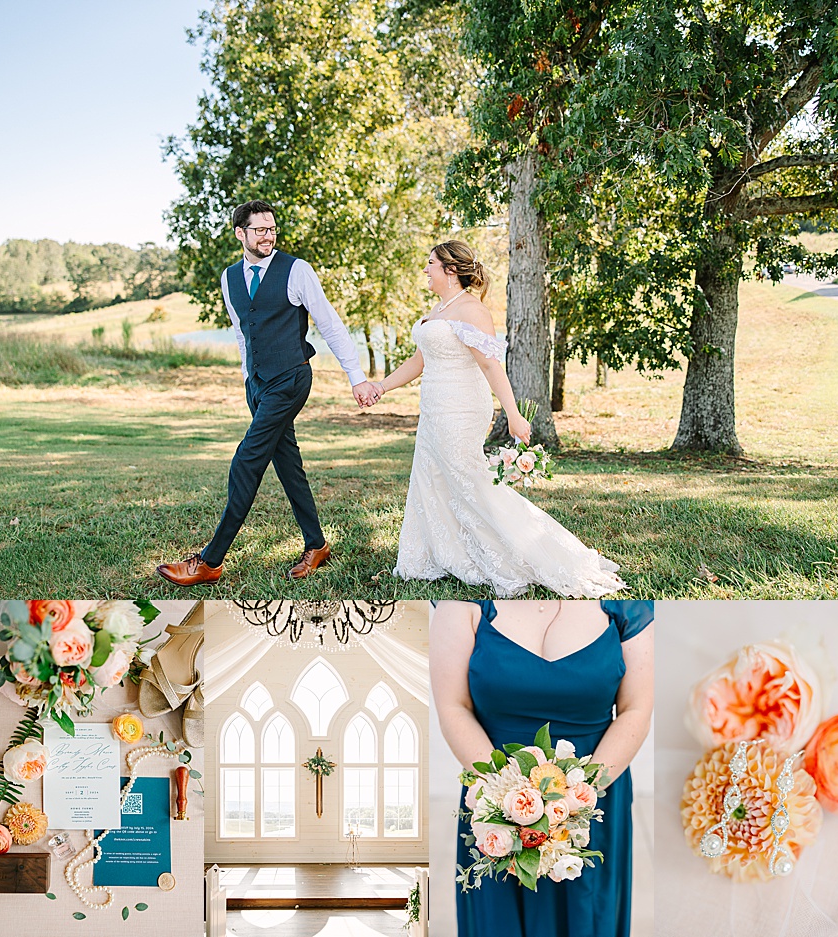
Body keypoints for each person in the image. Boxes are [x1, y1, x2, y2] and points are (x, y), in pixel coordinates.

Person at [367, 239, 625, 597]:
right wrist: (381, 386)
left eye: (430, 263)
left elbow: (490, 364)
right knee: (435, 478)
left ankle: (528, 552)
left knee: (471, 480)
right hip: (434, 409)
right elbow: (419, 361)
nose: (425, 269)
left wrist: (514, 414)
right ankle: (445, 554)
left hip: (461, 408)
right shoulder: (440, 308)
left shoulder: (472, 310)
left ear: (450, 270)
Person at [156, 199, 378, 586]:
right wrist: (247, 377)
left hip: (291, 379)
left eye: (272, 228)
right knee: (288, 466)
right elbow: (243, 332)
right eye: (260, 229)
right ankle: (317, 544)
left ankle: (210, 560)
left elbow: (330, 324)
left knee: (248, 459)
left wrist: (356, 376)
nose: (268, 236)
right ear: (240, 233)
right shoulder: (229, 278)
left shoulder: (296, 270)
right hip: (257, 385)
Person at [431, 599, 654, 937]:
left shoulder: (623, 608)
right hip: (494, 792)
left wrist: (578, 797)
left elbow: (635, 708)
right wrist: (503, 796)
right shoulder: (464, 605)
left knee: (587, 914)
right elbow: (453, 706)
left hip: (592, 795)